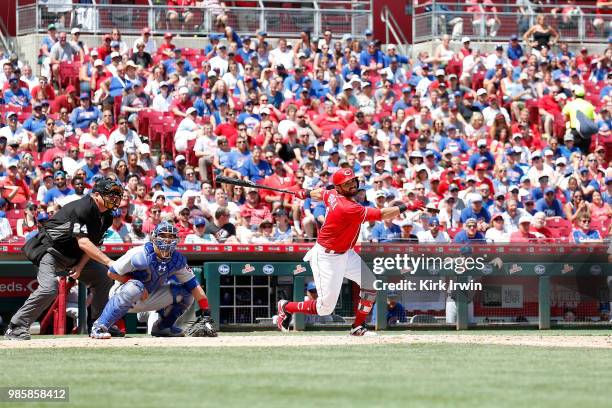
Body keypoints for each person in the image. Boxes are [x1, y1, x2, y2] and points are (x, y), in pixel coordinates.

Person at [276, 168, 411, 336]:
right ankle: (286, 307)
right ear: (339, 188)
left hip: (346, 253)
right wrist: (407, 206)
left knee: (370, 285)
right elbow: (382, 214)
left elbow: (322, 193)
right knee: (324, 308)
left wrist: (307, 192)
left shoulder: (333, 194)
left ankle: (357, 326)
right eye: (347, 184)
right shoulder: (347, 207)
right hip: (327, 257)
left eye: (353, 181)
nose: (352, 186)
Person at [4, 178, 123, 341]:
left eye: (117, 195)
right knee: (49, 288)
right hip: (51, 250)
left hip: (74, 256)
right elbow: (83, 242)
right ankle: (16, 327)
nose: (115, 198)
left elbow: (92, 243)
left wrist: (80, 266)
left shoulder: (107, 216)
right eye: (110, 195)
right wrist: (110, 262)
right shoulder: (83, 207)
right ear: (96, 195)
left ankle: (99, 325)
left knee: (103, 277)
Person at [90, 222, 217, 339]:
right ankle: (100, 326)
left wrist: (206, 311)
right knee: (135, 286)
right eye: (163, 235)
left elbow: (194, 286)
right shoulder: (139, 253)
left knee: (186, 293)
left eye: (171, 236)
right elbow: (111, 273)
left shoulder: (177, 260)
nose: (167, 240)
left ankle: (162, 327)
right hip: (123, 294)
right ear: (154, 237)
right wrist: (134, 282)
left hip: (149, 297)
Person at [562, 85, 596, 153]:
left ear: (575, 95)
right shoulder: (589, 105)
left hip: (575, 132)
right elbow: (592, 121)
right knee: (584, 153)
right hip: (586, 132)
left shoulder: (570, 104)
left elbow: (565, 119)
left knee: (574, 153)